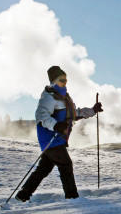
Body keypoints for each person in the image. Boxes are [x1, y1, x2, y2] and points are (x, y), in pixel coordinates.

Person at [15, 66, 103, 201]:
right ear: (53, 81)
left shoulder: (64, 97)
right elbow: (42, 116)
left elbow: (74, 114)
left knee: (43, 170)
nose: (65, 83)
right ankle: (72, 197)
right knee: (66, 164)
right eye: (62, 80)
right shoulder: (48, 97)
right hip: (51, 139)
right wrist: (56, 125)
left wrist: (92, 110)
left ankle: (22, 196)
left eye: (66, 80)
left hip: (58, 139)